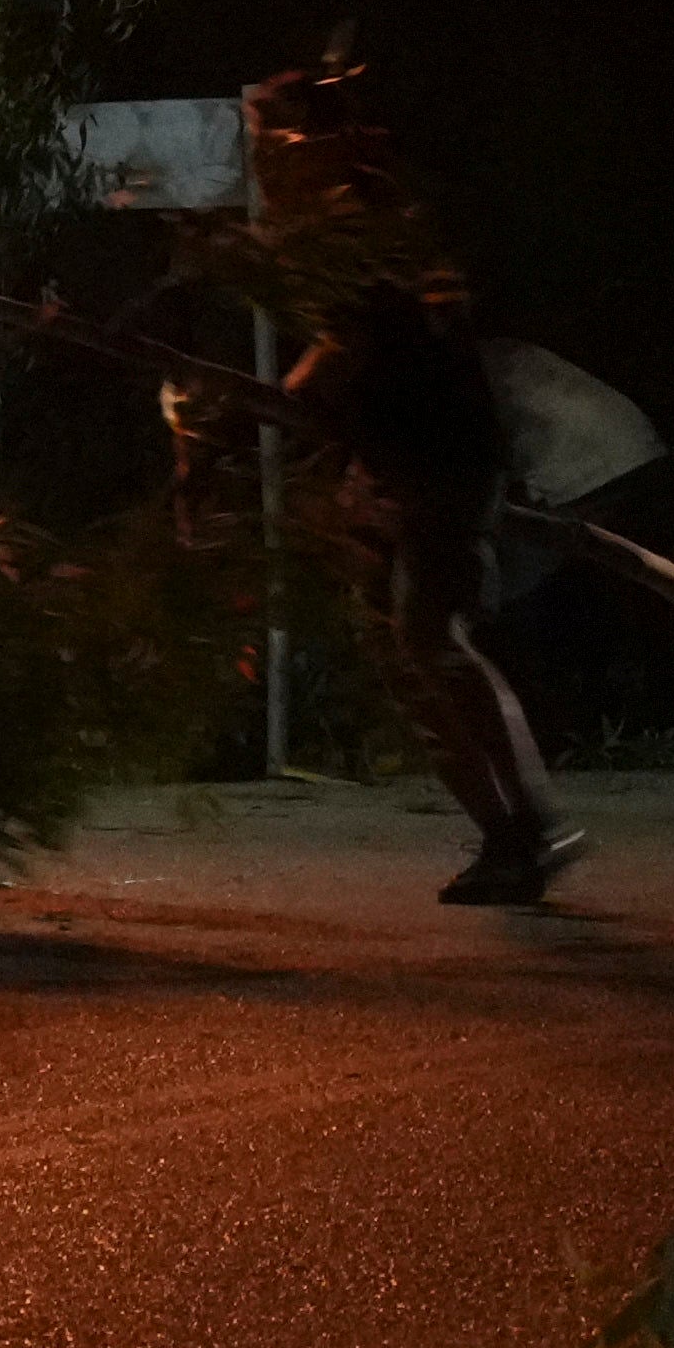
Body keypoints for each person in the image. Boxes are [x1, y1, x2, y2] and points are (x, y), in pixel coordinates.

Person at [243, 76, 573, 910]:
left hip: (441, 456)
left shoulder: (363, 228)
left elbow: (360, 341)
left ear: (319, 144)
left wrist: (285, 395)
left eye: (273, 138)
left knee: (430, 640)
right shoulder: (332, 231)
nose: (259, 158)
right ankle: (512, 832)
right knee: (410, 652)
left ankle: (526, 827)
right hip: (399, 457)